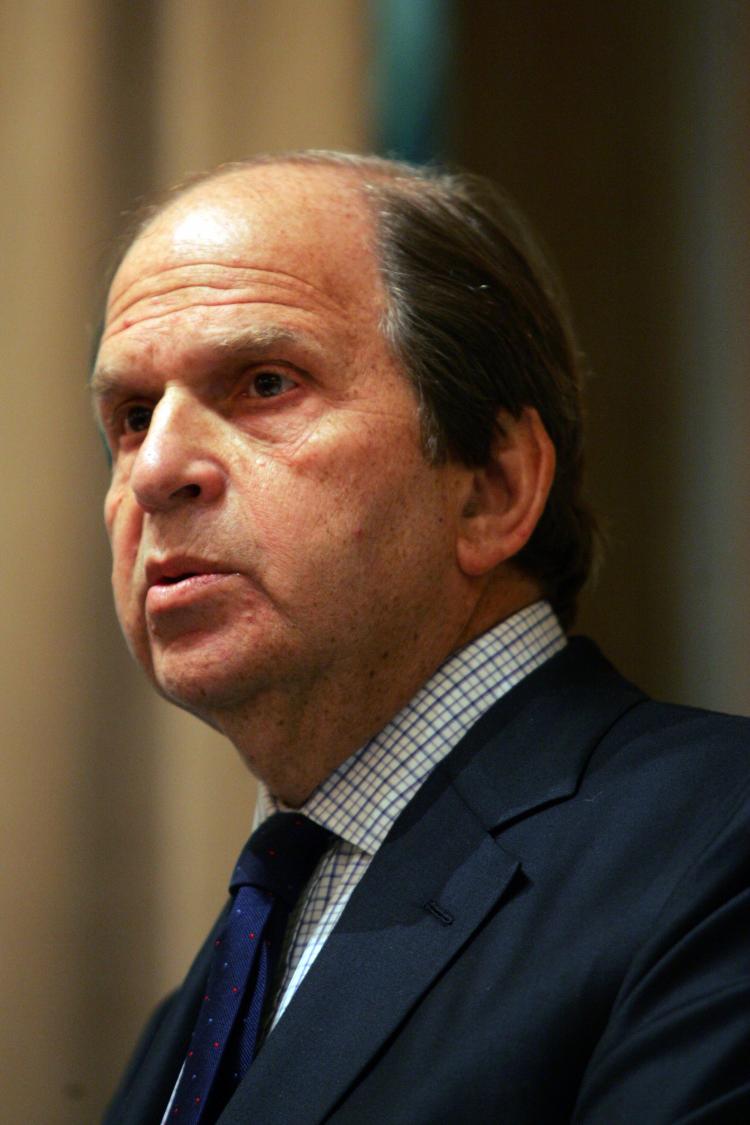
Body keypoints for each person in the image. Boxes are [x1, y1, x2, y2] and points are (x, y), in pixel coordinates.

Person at [94, 152, 750, 1124]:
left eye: (265, 383)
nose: (157, 472)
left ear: (491, 486)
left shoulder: (717, 845)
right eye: (134, 416)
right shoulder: (196, 1007)